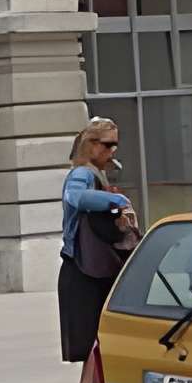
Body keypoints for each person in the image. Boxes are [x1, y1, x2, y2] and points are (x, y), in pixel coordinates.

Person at [56, 117, 135, 364]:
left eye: (115, 145)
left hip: (94, 268)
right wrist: (119, 202)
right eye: (107, 144)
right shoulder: (81, 173)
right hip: (83, 269)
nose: (112, 151)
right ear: (91, 144)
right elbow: (76, 197)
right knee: (93, 350)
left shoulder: (96, 173)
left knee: (101, 348)